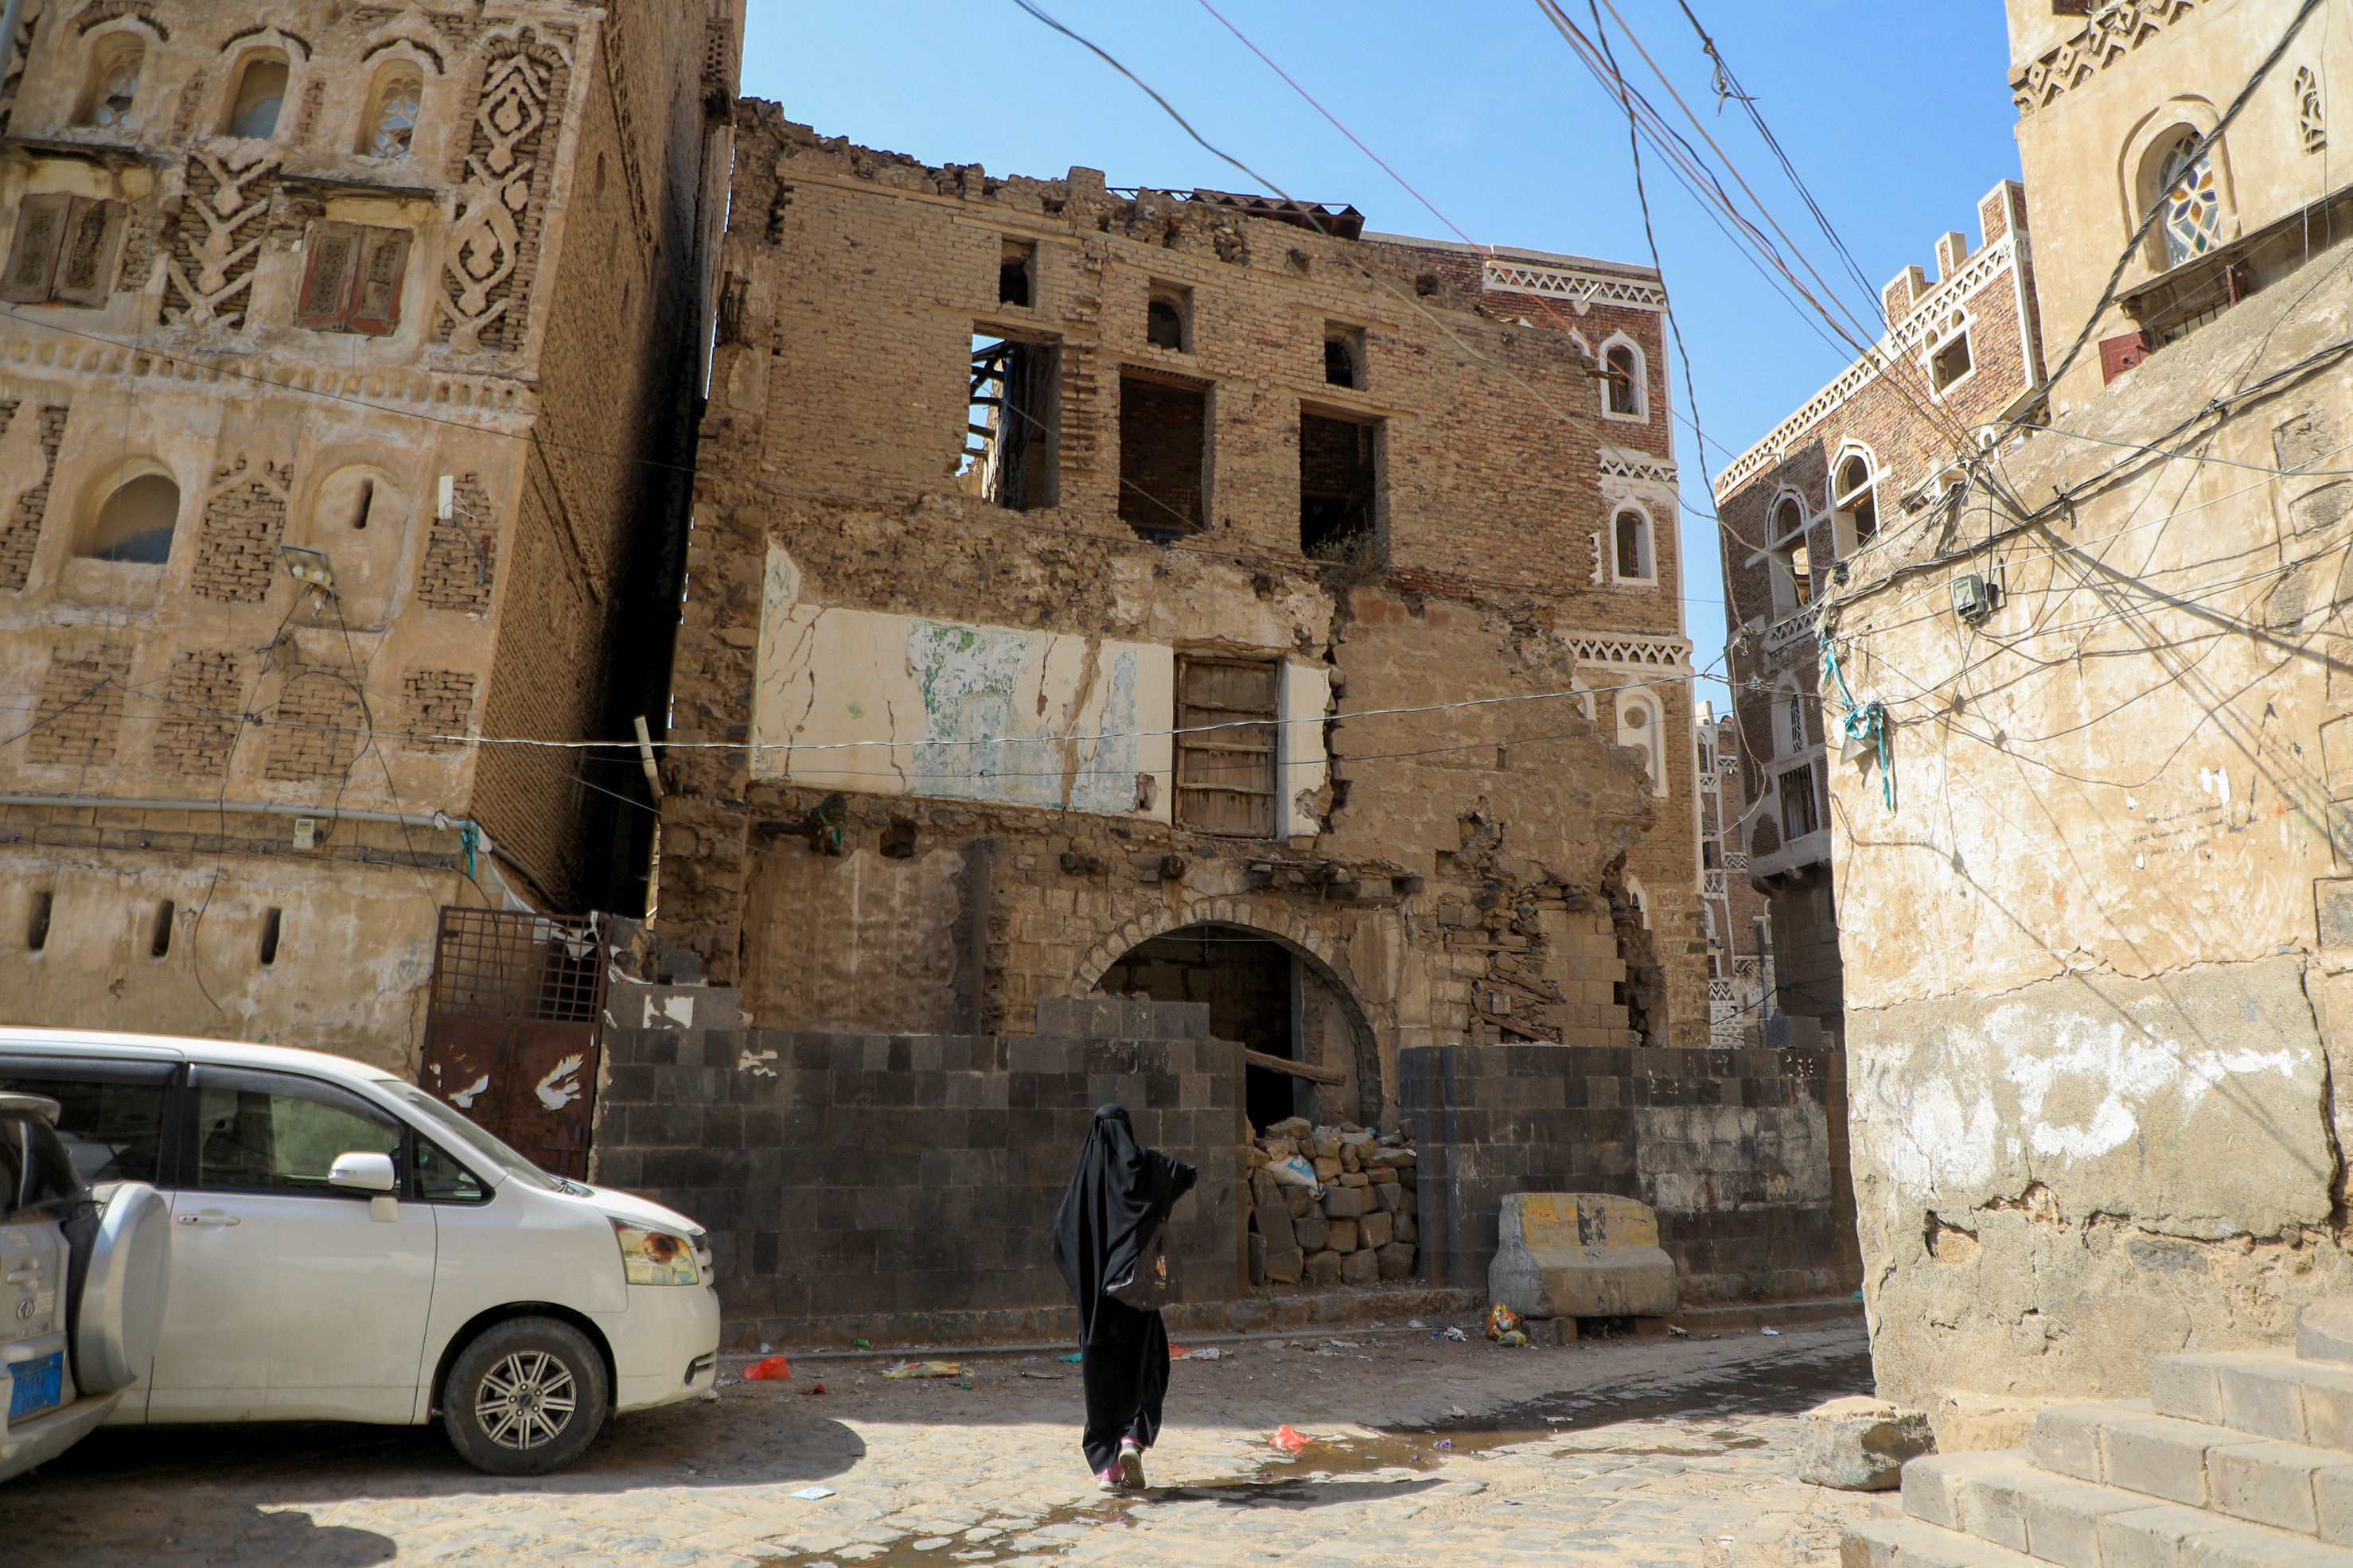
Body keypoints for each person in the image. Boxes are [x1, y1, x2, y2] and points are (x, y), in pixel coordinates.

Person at [1050, 1103, 1197, 1492]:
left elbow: (1061, 1240)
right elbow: (1182, 1175)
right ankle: (1133, 1437)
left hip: (1098, 1307)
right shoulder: (1143, 1167)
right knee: (1148, 1364)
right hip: (1137, 1297)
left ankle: (1107, 1468)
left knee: (1102, 1379)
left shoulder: (1084, 1183)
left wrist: (1087, 1288)